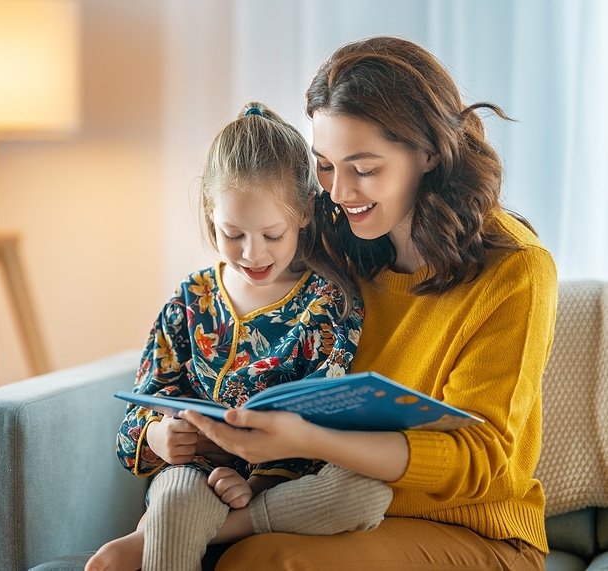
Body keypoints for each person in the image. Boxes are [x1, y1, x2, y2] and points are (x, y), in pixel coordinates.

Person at [180, 36, 558, 571]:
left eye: (364, 169)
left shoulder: (514, 268)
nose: (338, 193)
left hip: (474, 532)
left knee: (264, 561)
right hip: (337, 509)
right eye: (326, 167)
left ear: (428, 153)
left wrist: (312, 439)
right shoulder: (337, 241)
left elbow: (482, 461)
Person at [83, 102, 393, 571]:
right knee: (178, 495)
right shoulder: (192, 299)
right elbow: (142, 404)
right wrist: (159, 437)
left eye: (272, 234)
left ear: (306, 213)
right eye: (232, 234)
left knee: (365, 493)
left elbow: (326, 423)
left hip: (283, 486)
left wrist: (257, 486)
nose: (253, 253)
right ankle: (175, 522)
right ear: (211, 215)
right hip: (194, 474)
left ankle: (165, 535)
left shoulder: (328, 304)